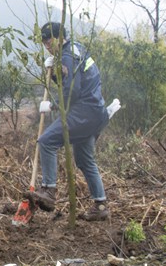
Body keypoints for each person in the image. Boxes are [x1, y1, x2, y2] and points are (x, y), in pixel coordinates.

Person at [33, 22, 111, 221]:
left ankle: (49, 191)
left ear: (59, 37)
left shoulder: (68, 55)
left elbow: (73, 91)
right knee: (85, 161)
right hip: (96, 113)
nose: (47, 45)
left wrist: (53, 105)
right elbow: (72, 82)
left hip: (84, 112)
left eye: (49, 41)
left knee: (46, 141)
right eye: (44, 43)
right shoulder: (76, 50)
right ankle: (101, 205)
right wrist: (56, 75)